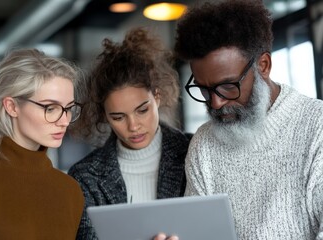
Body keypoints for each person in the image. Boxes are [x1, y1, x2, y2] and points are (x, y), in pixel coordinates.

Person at [171, 0, 323, 239]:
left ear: (263, 66)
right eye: (204, 89)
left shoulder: (317, 127)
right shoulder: (204, 144)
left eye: (227, 86)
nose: (215, 103)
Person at [68, 27, 192, 240]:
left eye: (142, 110)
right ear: (105, 115)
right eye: (118, 117)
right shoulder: (85, 176)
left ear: (157, 97)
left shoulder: (194, 152)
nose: (133, 126)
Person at [0, 48, 85, 239]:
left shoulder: (70, 191)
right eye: (51, 108)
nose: (65, 121)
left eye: (69, 108)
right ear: (11, 106)